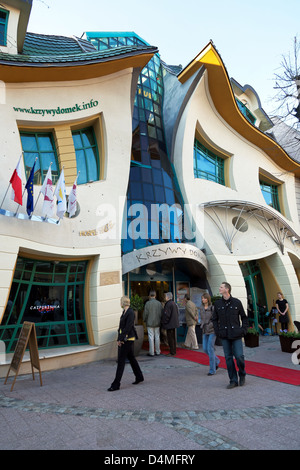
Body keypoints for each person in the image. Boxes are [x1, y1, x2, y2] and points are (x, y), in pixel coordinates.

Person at [212, 282, 249, 389]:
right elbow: (214, 319)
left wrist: (243, 330)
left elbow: (244, 317)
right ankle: (233, 380)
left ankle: (242, 374)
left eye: (221, 287)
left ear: (227, 289)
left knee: (239, 357)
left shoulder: (237, 302)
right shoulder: (218, 304)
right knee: (228, 358)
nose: (219, 288)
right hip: (224, 335)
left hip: (236, 334)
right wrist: (217, 331)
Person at [108, 296, 144, 391]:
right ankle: (139, 376)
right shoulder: (124, 312)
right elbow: (122, 327)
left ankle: (116, 384)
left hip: (127, 339)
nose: (120, 303)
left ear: (123, 303)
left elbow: (127, 327)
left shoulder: (130, 312)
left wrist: (120, 339)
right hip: (125, 338)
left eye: (120, 302)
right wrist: (119, 337)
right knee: (131, 358)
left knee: (121, 361)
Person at [200, 293, 220, 375]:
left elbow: (216, 319)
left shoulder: (212, 308)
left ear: (207, 299)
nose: (202, 299)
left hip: (212, 331)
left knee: (210, 349)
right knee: (205, 349)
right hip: (204, 330)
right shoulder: (201, 308)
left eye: (204, 298)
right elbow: (201, 318)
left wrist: (210, 325)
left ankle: (212, 370)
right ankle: (217, 360)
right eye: (202, 298)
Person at [143, 290, 163, 356]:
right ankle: (158, 351)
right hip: (157, 322)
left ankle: (151, 352)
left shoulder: (147, 303)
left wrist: (144, 320)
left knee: (151, 337)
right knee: (157, 336)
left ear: (149, 296)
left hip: (149, 322)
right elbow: (161, 313)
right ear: (155, 295)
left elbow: (145, 314)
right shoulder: (159, 303)